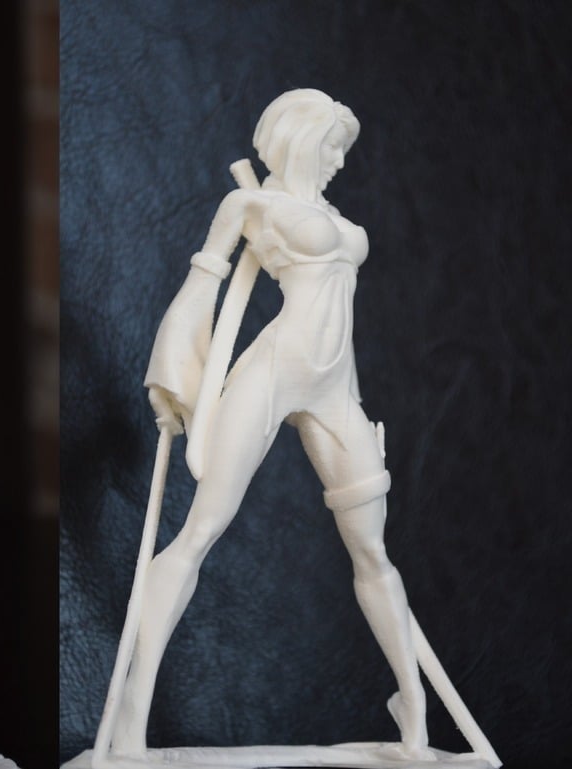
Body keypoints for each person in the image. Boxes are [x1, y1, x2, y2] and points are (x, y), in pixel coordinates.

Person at [110, 89, 432, 760]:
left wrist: (357, 403)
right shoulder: (249, 204)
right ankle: (133, 712)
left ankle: (414, 711)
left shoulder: (336, 219)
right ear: (301, 140)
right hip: (273, 371)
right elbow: (202, 288)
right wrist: (171, 374)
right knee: (202, 529)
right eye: (333, 145)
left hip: (337, 388)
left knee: (373, 551)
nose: (340, 160)